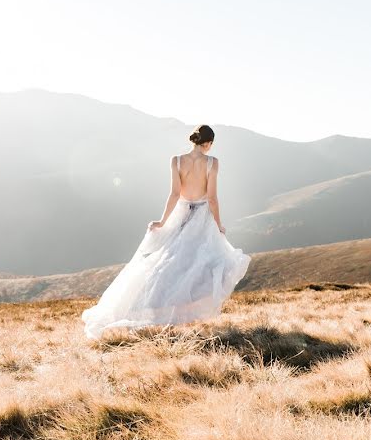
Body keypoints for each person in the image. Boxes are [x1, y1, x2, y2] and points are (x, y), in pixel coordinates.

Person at [81, 124, 252, 340]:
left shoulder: (177, 160)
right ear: (208, 143)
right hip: (201, 217)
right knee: (204, 264)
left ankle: (149, 308)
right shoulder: (212, 162)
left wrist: (163, 221)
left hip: (180, 212)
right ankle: (183, 313)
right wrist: (218, 224)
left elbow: (174, 194)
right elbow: (212, 198)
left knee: (166, 263)